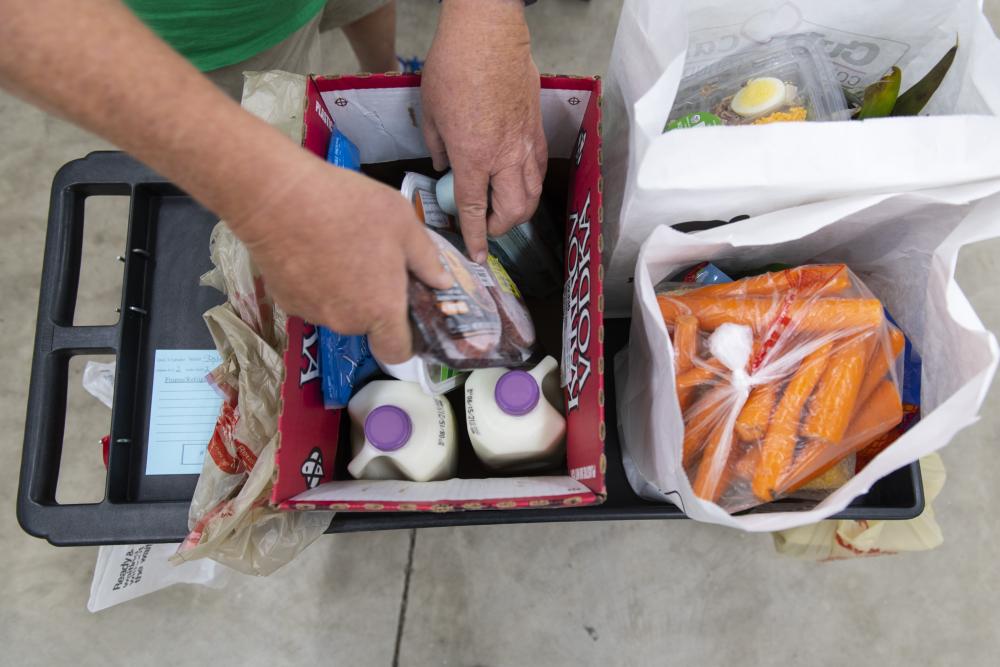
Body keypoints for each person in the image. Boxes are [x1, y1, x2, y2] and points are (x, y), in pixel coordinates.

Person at [0, 0, 547, 364]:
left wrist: (489, 17)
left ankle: (379, 73)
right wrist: (267, 194)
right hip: (203, 29)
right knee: (267, 109)